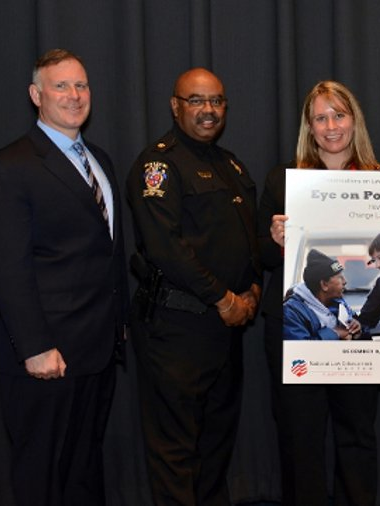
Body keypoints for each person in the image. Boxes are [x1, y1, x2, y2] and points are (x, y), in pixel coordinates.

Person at [0, 48, 127, 505]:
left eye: (81, 85)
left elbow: (106, 254)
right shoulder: (10, 165)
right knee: (41, 478)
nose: (74, 95)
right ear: (35, 95)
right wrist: (36, 347)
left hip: (97, 353)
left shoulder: (99, 159)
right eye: (61, 86)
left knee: (83, 473)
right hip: (46, 359)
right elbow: (5, 268)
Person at [127, 68, 262, 505]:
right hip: (177, 329)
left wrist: (254, 290)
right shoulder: (159, 166)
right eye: (196, 100)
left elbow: (248, 239)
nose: (208, 111)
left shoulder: (231, 165)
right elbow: (167, 248)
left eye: (217, 101)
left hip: (225, 333)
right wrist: (223, 299)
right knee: (176, 452)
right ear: (175, 106)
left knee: (216, 445)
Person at [259, 80, 380, 505]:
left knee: (358, 436)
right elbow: (262, 258)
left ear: (354, 121)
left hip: (354, 331)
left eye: (339, 115)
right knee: (301, 440)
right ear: (309, 128)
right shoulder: (284, 180)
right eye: (321, 118)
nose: (331, 126)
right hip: (297, 332)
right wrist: (276, 238)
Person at [283, 249, 365, 341]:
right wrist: (334, 333)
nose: (345, 281)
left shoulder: (339, 303)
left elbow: (363, 334)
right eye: (339, 277)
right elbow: (300, 349)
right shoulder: (292, 313)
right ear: (324, 285)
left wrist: (357, 330)